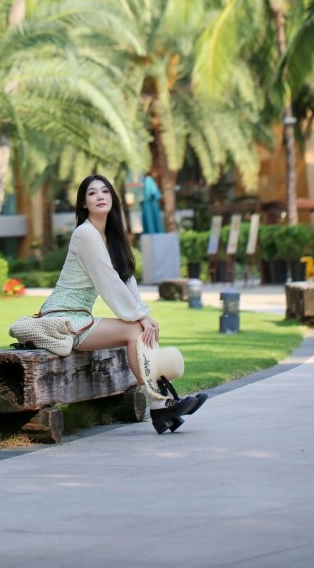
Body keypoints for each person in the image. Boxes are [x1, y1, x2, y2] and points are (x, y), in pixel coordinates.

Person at [40, 174, 208, 434]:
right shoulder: (85, 234)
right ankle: (159, 405)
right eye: (92, 193)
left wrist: (143, 314)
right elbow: (109, 282)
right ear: (84, 203)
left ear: (112, 198)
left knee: (142, 328)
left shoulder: (109, 235)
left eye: (105, 191)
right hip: (62, 318)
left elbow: (126, 277)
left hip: (79, 317)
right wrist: (140, 316)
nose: (100, 196)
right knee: (135, 330)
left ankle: (163, 403)